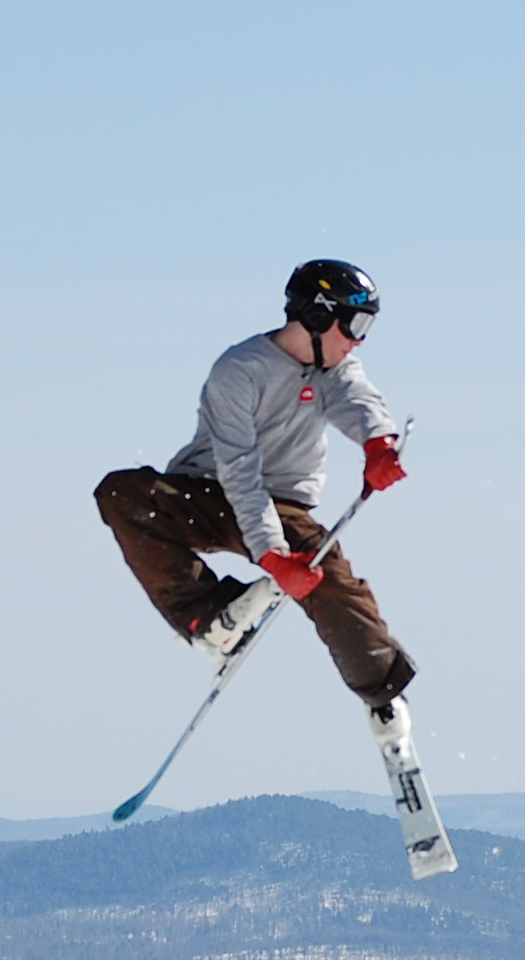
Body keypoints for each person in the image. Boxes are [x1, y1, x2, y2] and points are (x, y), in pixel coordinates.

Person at [93, 260, 418, 743]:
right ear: (317, 316)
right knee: (121, 494)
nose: (359, 340)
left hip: (286, 504)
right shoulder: (239, 372)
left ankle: (382, 692)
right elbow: (240, 473)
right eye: (355, 325)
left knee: (327, 579)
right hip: (210, 491)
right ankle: (209, 619)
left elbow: (357, 397)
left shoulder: (332, 366)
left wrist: (378, 445)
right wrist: (271, 556)